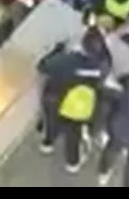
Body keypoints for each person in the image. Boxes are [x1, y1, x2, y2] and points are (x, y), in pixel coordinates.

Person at [37, 31, 108, 174]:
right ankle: (72, 162)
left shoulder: (68, 60)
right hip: (81, 107)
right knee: (74, 135)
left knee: (52, 122)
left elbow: (42, 66)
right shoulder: (102, 65)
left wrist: (57, 50)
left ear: (83, 45)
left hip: (58, 100)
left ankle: (48, 143)